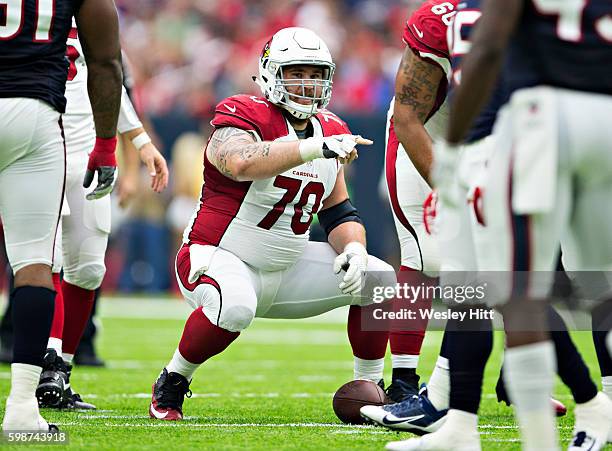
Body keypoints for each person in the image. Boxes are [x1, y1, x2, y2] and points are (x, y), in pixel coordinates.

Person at [382, 1, 612, 450]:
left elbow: (487, 51)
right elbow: (409, 114)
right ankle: (457, 419)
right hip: (569, 128)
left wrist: (453, 162)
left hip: (523, 135)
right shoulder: (440, 16)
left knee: (514, 288)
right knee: (485, 284)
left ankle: (583, 406)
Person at [148, 27, 395, 421]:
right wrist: (314, 148)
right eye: (297, 72)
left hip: (287, 267)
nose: (308, 84)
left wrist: (354, 249)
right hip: (218, 256)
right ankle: (173, 381)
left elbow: (339, 212)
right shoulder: (242, 113)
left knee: (379, 279)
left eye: (316, 74)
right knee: (236, 307)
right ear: (270, 73)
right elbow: (240, 162)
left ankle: (373, 390)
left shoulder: (332, 129)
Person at [0, 0, 122, 431]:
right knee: (34, 262)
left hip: (48, 114)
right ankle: (20, 411)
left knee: (65, 262)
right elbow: (106, 59)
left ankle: (54, 373)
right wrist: (108, 147)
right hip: (34, 114)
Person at [34, 25, 169, 410]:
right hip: (37, 148)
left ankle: (61, 372)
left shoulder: (88, 14)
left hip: (88, 150)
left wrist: (140, 142)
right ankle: (49, 365)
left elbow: (106, 78)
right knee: (48, 262)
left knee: (89, 269)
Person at [381, 0, 456, 401]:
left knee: (507, 258)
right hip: (422, 136)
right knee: (426, 258)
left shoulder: (531, 20)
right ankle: (404, 381)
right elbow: (407, 117)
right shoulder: (439, 20)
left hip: (482, 141)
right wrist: (445, 187)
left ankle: (517, 372)